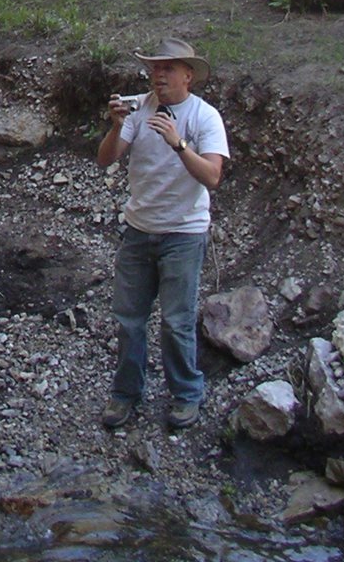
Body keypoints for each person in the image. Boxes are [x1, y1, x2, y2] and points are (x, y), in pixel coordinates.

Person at [95, 37, 229, 431]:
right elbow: (106, 158)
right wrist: (117, 125)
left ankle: (186, 395)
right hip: (139, 229)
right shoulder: (137, 108)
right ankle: (125, 395)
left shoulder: (205, 117)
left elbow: (213, 176)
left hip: (184, 234)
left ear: (188, 76)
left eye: (168, 68)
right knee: (129, 319)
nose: (158, 75)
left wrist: (178, 143)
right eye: (154, 68)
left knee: (176, 320)